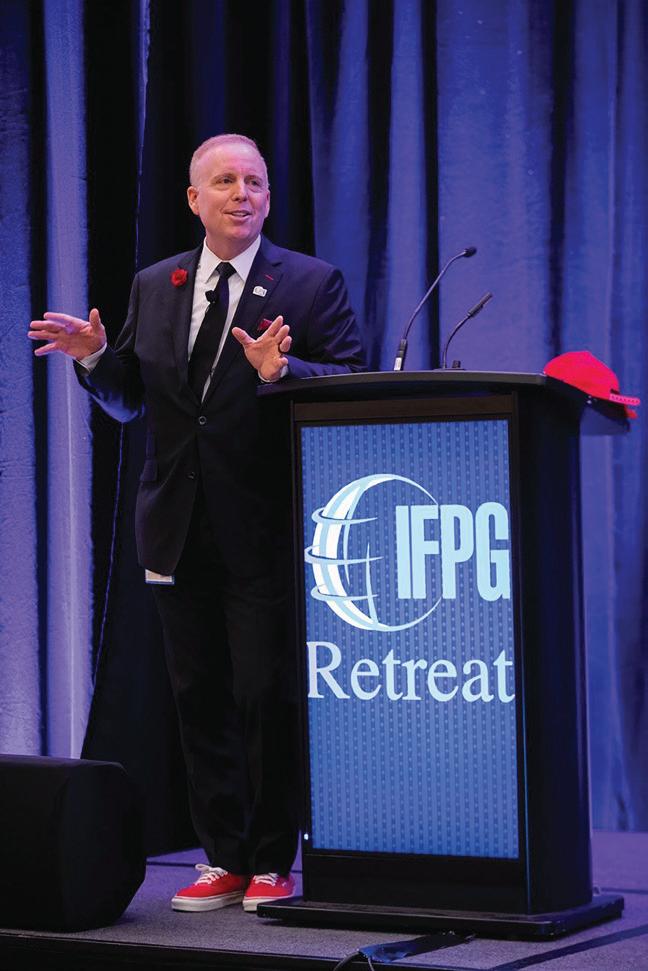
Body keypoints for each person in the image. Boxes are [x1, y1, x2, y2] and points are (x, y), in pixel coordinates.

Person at [28, 133, 365, 913]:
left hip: (266, 527)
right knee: (199, 695)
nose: (243, 193)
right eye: (225, 181)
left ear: (268, 198)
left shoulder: (310, 283)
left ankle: (272, 859)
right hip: (176, 526)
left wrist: (285, 372)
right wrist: (95, 359)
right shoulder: (157, 284)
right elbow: (132, 402)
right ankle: (223, 857)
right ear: (194, 199)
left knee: (264, 694)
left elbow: (353, 378)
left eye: (255, 182)